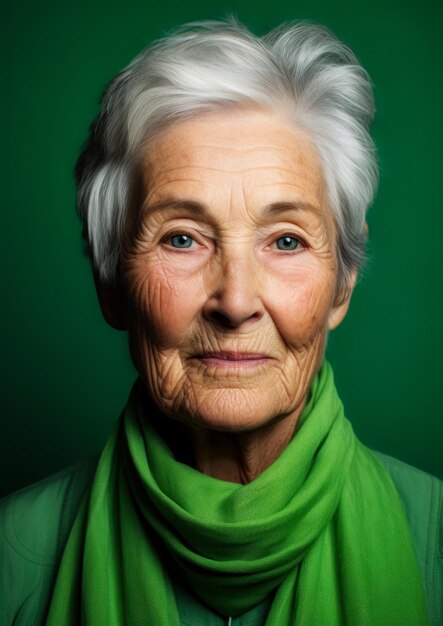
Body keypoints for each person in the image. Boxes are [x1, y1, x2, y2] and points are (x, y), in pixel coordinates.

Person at [1, 19, 441, 626]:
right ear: (111, 282)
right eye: (182, 238)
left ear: (342, 283)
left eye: (285, 241)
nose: (235, 302)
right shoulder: (10, 560)